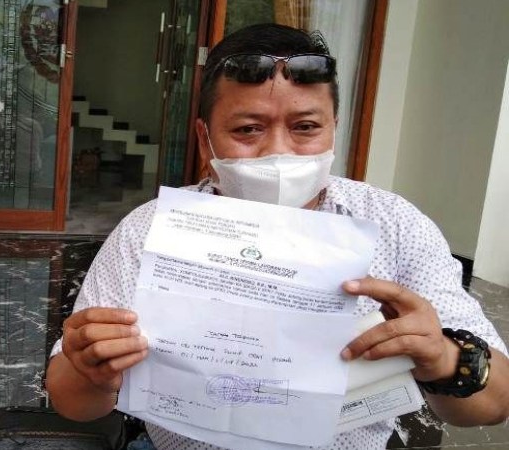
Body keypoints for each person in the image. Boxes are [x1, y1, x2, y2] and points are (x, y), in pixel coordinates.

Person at [45, 23, 509, 450]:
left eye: (306, 127)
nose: (279, 153)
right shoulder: (149, 231)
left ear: (334, 130)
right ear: (205, 140)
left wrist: (444, 359)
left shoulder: (395, 226)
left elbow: (495, 403)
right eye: (248, 129)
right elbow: (72, 401)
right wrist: (91, 372)